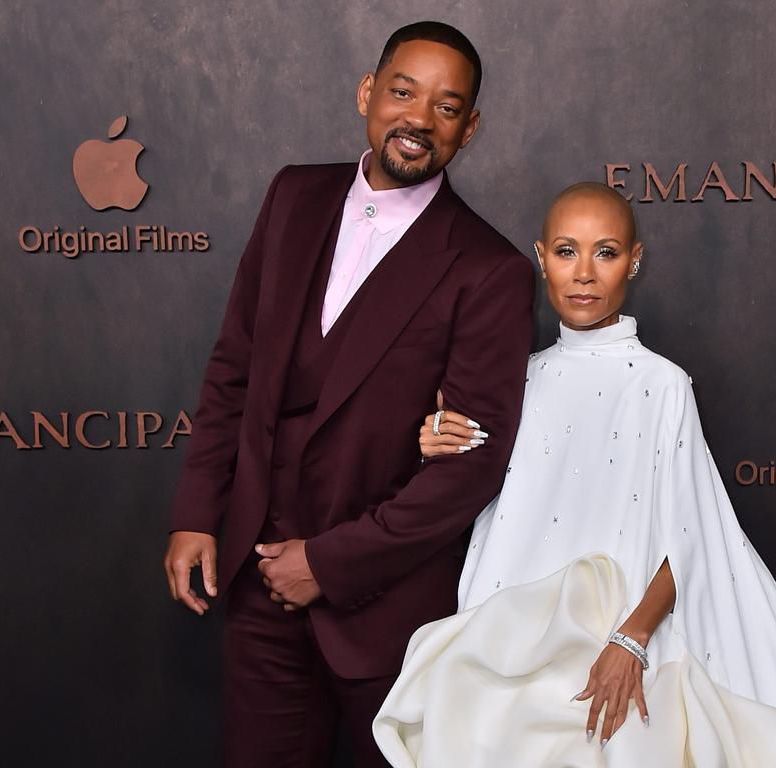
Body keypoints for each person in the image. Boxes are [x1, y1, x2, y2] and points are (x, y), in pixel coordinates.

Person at [373, 183, 776, 767]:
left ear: (634, 261)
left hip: (616, 644)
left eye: (606, 252)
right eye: (567, 252)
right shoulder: (512, 379)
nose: (585, 273)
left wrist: (632, 639)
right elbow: (467, 464)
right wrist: (435, 437)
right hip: (501, 644)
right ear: (541, 258)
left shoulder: (663, 384)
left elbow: (694, 539)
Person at [163, 21, 534, 767]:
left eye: (447, 107)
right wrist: (199, 510)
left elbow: (470, 468)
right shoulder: (294, 195)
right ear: (369, 92)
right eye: (404, 92)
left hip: (391, 616)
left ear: (471, 127)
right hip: (258, 587)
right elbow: (235, 364)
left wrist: (328, 565)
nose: (419, 120)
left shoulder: (490, 270)